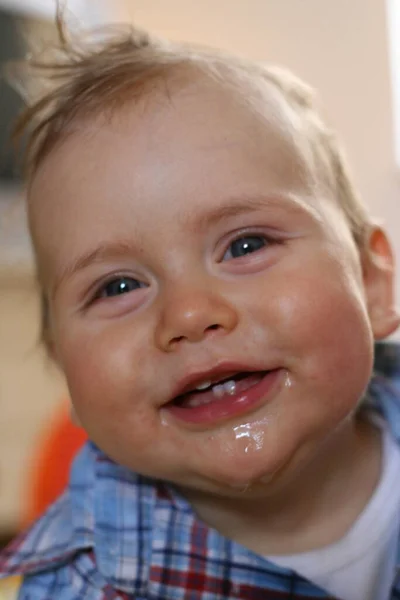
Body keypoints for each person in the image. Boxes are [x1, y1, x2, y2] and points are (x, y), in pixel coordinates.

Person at [1, 10, 400, 600]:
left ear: (372, 281)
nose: (189, 314)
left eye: (246, 244)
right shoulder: (78, 585)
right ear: (67, 371)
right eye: (117, 286)